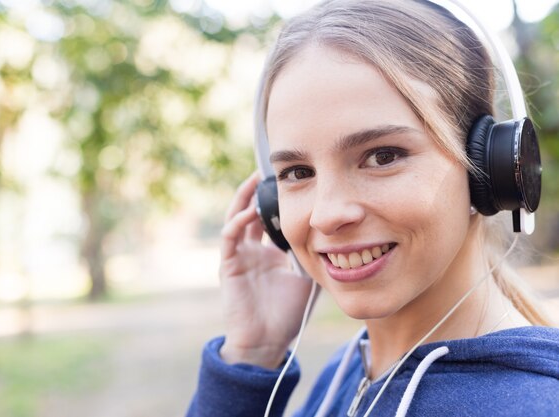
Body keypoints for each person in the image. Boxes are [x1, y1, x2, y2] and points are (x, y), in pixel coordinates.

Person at [186, 1, 559, 416]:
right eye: (297, 172)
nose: (326, 215)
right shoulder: (347, 372)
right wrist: (252, 354)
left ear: (489, 169)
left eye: (382, 156)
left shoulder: (529, 406)